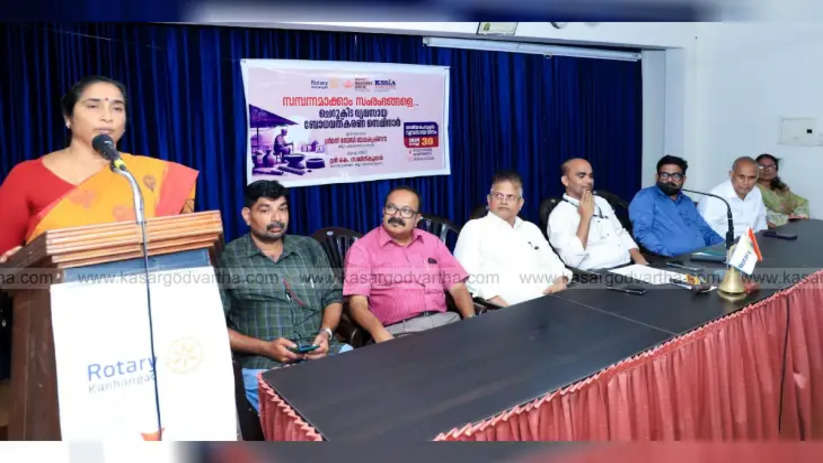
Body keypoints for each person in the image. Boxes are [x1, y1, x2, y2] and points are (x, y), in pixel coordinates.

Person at [0, 75, 198, 263]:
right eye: (93, 106)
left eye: (117, 108)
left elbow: (184, 254)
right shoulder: (27, 176)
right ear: (68, 117)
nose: (107, 117)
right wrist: (17, 263)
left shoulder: (154, 177)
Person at [218, 180, 349, 412]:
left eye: (283, 208)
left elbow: (332, 296)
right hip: (266, 365)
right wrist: (265, 348)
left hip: (324, 354)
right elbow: (215, 328)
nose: (277, 218)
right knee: (312, 416)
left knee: (369, 394)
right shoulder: (229, 258)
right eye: (266, 210)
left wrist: (325, 333)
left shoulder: (308, 248)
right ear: (247, 216)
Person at [343, 186, 475, 342]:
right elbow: (357, 304)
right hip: (400, 331)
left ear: (417, 219)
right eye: (391, 208)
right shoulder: (362, 249)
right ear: (383, 211)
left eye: (406, 211)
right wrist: (379, 333)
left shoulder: (432, 242)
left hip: (446, 322)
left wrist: (471, 322)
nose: (396, 216)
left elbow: (458, 288)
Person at [454, 170, 572, 307]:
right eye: (498, 195)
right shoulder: (474, 228)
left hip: (549, 304)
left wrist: (561, 280)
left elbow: (554, 263)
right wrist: (500, 305)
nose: (503, 201)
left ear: (520, 203)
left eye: (510, 197)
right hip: (506, 311)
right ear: (489, 199)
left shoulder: (530, 229)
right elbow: (466, 276)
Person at [548, 158, 647, 270]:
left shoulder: (601, 202)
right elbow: (572, 260)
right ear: (565, 180)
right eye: (581, 176)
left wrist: (640, 260)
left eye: (590, 176)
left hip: (628, 267)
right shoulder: (559, 215)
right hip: (596, 276)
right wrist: (585, 217)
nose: (589, 181)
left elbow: (620, 233)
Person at [629, 155, 723, 257]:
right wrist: (667, 256)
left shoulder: (687, 201)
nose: (670, 180)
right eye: (665, 175)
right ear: (657, 177)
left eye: (676, 176)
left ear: (683, 179)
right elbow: (642, 232)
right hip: (669, 261)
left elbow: (705, 231)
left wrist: (726, 247)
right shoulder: (646, 197)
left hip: (700, 257)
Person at [697, 156, 767, 239]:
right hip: (722, 245)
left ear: (757, 177)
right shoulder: (714, 197)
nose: (746, 182)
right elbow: (705, 231)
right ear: (731, 174)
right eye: (741, 177)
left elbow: (761, 222)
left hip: (751, 243)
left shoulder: (756, 192)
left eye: (751, 178)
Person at [755, 153, 810, 227]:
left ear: (776, 169)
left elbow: (802, 202)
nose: (766, 169)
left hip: (791, 226)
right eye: (761, 166)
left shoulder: (781, 187)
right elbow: (761, 213)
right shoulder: (753, 189)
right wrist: (787, 219)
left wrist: (798, 215)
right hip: (769, 229)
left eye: (771, 166)